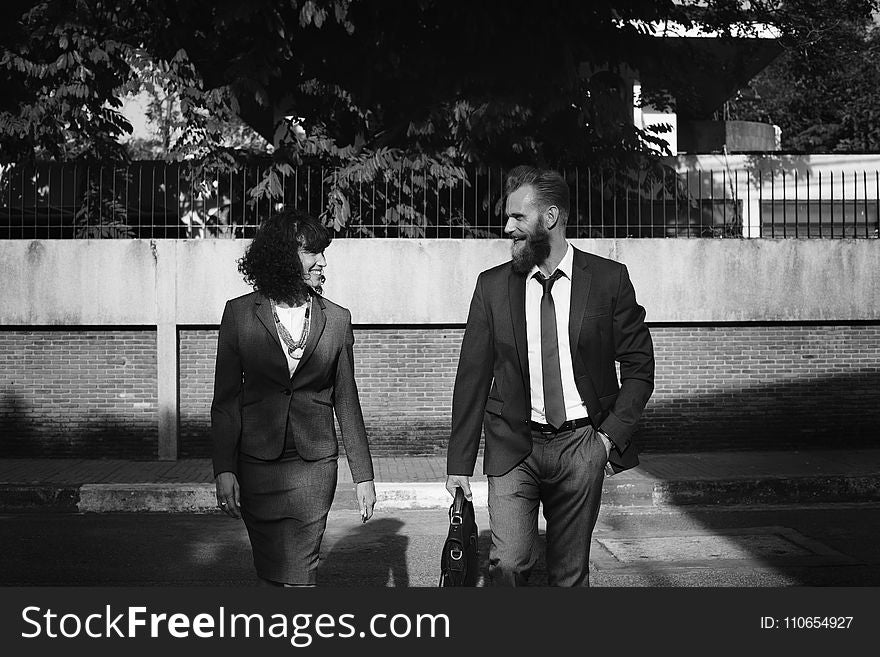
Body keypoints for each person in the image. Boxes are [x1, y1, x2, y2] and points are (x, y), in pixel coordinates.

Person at [446, 166, 654, 586]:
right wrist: (458, 465)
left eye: (518, 218)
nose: (507, 228)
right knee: (507, 563)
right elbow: (472, 377)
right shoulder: (492, 287)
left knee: (568, 574)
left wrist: (607, 439)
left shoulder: (608, 280)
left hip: (582, 444)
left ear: (551, 217)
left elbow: (639, 365)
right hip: (512, 446)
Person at [212, 209, 376, 587]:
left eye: (323, 252)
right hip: (256, 463)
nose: (322, 261)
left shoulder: (336, 319)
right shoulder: (239, 313)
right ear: (284, 256)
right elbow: (226, 400)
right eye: (311, 252)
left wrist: (363, 476)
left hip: (314, 465)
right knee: (270, 572)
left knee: (302, 572)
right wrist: (224, 468)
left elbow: (347, 401)